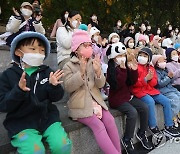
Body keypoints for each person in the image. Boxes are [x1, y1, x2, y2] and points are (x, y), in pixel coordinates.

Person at [0, 32, 72, 154]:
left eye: (41, 50)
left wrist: (53, 86)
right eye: (32, 49)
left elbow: (57, 97)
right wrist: (18, 91)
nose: (38, 53)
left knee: (63, 146)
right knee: (35, 151)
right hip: (21, 123)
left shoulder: (47, 71)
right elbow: (3, 104)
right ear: (18, 52)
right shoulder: (8, 75)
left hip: (48, 118)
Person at [63, 30, 121, 154]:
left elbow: (100, 85)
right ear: (76, 49)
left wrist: (98, 72)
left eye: (90, 45)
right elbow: (68, 87)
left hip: (96, 101)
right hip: (80, 104)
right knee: (98, 126)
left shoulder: (93, 62)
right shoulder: (68, 65)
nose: (89, 48)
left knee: (110, 120)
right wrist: (81, 73)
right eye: (85, 45)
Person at [106, 42, 153, 154]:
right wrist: (122, 70)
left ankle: (142, 133)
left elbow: (131, 82)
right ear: (113, 58)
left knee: (145, 107)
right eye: (119, 56)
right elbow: (117, 85)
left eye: (123, 55)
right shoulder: (111, 70)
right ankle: (127, 139)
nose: (122, 58)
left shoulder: (126, 66)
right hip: (117, 99)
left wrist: (134, 71)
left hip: (127, 96)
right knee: (132, 112)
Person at [132, 47, 180, 138]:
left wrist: (149, 79)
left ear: (149, 58)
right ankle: (153, 126)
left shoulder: (151, 68)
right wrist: (146, 79)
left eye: (145, 56)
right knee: (150, 102)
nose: (142, 57)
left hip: (151, 90)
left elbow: (154, 83)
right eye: (140, 55)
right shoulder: (136, 67)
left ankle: (168, 125)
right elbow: (134, 83)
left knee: (166, 101)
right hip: (139, 91)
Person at [152, 54, 180, 127]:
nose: (164, 62)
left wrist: (171, 76)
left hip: (171, 89)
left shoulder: (165, 70)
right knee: (175, 100)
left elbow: (171, 81)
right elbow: (160, 83)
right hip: (164, 91)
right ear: (156, 63)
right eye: (161, 61)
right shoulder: (156, 72)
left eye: (164, 60)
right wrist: (168, 77)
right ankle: (170, 119)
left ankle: (176, 117)